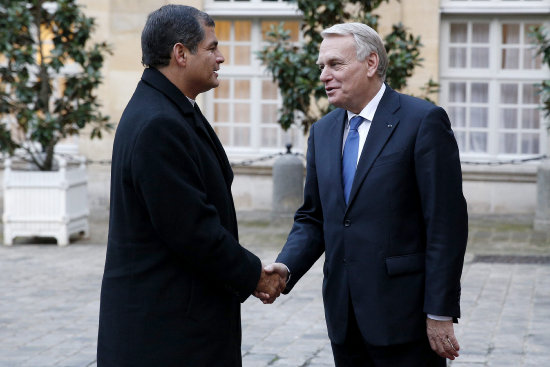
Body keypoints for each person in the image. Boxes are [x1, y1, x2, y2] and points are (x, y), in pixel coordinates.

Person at [264, 22, 468, 366]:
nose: (324, 75)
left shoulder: (423, 121)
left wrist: (439, 310)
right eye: (321, 67)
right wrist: (285, 266)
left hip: (405, 319)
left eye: (335, 64)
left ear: (371, 63)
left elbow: (445, 226)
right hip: (344, 319)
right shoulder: (323, 131)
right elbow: (314, 217)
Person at [97, 5, 284, 367]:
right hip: (167, 334)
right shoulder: (158, 122)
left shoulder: (171, 107)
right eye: (212, 48)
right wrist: (255, 276)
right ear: (180, 54)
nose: (222, 57)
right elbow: (192, 230)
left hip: (182, 322)